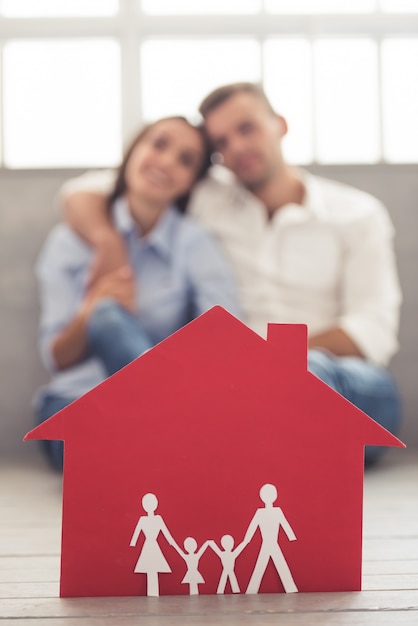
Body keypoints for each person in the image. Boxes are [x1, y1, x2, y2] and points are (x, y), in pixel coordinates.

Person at [57, 83, 403, 466]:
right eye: (222, 141)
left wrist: (273, 362)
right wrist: (108, 241)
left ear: (280, 125)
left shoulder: (356, 214)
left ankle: (237, 449)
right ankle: (250, 456)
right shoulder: (209, 199)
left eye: (247, 129)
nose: (236, 148)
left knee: (310, 375)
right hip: (238, 392)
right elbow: (85, 191)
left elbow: (372, 330)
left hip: (341, 382)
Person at [34, 116, 241, 470]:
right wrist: (90, 312)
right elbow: (57, 357)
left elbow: (224, 338)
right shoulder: (68, 242)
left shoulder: (194, 243)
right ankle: (168, 442)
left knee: (128, 457)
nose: (166, 162)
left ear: (192, 182)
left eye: (185, 160)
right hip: (78, 402)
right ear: (133, 151)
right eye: (158, 144)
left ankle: (159, 435)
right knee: (105, 315)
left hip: (175, 402)